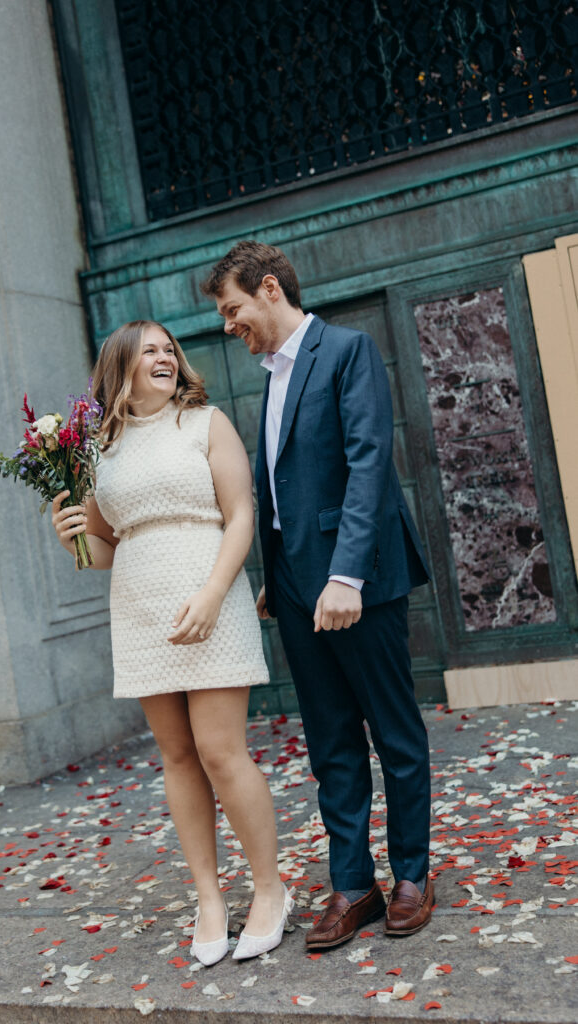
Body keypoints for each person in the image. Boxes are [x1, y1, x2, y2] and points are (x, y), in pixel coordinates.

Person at [201, 241, 433, 948]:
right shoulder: (270, 375)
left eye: (232, 308)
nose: (227, 325)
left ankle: (413, 876)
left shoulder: (348, 350)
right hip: (299, 592)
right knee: (330, 742)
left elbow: (367, 465)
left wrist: (344, 575)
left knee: (393, 733)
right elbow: (282, 491)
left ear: (269, 289)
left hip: (356, 583)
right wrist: (282, 575)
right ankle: (352, 885)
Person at [51, 320, 294, 965]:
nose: (164, 358)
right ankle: (210, 899)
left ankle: (270, 890)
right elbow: (105, 550)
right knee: (178, 756)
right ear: (120, 369)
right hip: (139, 607)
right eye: (148, 352)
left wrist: (215, 592)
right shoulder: (98, 448)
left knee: (220, 750)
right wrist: (72, 535)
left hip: (211, 594)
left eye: (169, 350)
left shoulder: (206, 422)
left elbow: (241, 514)